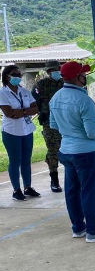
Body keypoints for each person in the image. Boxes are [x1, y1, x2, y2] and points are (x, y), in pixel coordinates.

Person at [49, 61, 95, 242]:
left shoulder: (55, 98)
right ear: (77, 77)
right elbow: (92, 132)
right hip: (86, 153)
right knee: (90, 192)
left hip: (66, 151)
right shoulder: (84, 100)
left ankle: (78, 228)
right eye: (83, 74)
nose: (85, 77)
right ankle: (93, 231)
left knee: (72, 191)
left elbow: (53, 125)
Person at [0, 65, 39, 201]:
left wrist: (20, 112)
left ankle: (27, 187)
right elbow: (10, 113)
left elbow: (35, 108)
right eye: (14, 74)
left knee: (26, 160)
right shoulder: (2, 93)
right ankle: (16, 190)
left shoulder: (25, 91)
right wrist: (26, 111)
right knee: (15, 160)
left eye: (19, 74)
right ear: (7, 76)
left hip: (27, 130)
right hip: (11, 131)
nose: (18, 77)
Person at [32, 60, 64, 193]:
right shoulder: (41, 84)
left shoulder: (65, 82)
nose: (53, 72)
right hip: (49, 122)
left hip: (66, 121)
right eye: (51, 70)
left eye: (55, 69)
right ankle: (54, 180)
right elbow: (34, 98)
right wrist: (41, 111)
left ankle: (73, 178)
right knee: (53, 150)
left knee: (70, 149)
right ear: (48, 71)